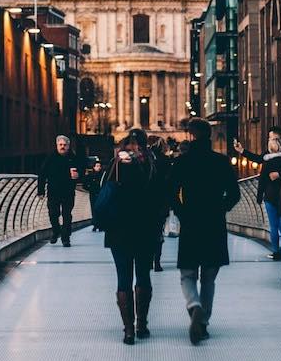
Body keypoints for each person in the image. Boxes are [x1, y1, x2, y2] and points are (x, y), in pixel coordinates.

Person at [170, 117, 241, 344]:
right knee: (209, 277)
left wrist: (181, 212)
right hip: (214, 223)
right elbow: (235, 194)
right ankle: (204, 322)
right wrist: (221, 208)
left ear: (191, 136)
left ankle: (194, 305)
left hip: (191, 223)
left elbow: (170, 192)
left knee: (187, 274)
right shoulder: (221, 162)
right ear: (209, 136)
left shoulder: (182, 162)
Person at [103, 128, 164, 344]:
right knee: (144, 276)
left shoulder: (116, 165)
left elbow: (102, 192)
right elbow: (162, 198)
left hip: (118, 230)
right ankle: (142, 324)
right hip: (146, 230)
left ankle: (128, 330)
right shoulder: (152, 165)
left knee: (123, 279)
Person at [233, 130, 281, 260]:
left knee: (274, 226)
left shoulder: (267, 157)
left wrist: (242, 151)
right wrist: (242, 151)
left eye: (271, 138)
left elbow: (258, 160)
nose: (270, 140)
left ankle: (276, 252)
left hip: (271, 195)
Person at [36, 135, 82, 247]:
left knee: (67, 215)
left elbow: (81, 172)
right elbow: (42, 174)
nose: (62, 147)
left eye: (65, 145)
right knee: (53, 213)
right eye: (60, 145)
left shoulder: (74, 158)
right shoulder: (50, 158)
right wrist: (40, 191)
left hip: (68, 191)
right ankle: (56, 231)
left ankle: (65, 238)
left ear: (68, 146)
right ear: (57, 145)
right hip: (53, 191)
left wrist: (78, 176)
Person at [148, 135, 173, 271]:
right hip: (161, 202)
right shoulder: (166, 160)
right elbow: (170, 183)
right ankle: (157, 262)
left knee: (146, 232)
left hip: (145, 203)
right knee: (158, 231)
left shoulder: (144, 159)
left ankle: (147, 259)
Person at [84, 158, 104, 232]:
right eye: (97, 166)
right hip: (93, 194)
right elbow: (84, 185)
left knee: (100, 209)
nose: (98, 167)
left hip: (101, 194)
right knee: (94, 209)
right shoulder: (90, 175)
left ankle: (100, 225)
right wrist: (90, 189)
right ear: (94, 167)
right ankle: (95, 225)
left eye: (99, 166)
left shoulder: (103, 175)